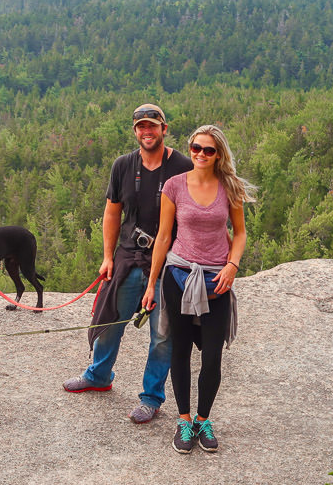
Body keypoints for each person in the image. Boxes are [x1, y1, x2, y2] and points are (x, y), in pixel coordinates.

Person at [62, 103, 192, 424]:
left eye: (153, 126)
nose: (147, 132)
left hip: (168, 261)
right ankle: (99, 375)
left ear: (164, 128)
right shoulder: (123, 165)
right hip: (128, 253)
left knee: (162, 333)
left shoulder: (182, 166)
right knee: (110, 317)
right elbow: (112, 212)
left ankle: (151, 398)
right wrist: (107, 257)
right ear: (135, 131)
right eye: (141, 127)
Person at [141, 124, 256, 454]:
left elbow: (241, 232)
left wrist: (232, 266)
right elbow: (164, 237)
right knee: (179, 350)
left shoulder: (229, 187)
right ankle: (183, 420)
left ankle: (203, 420)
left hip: (217, 279)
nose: (200, 154)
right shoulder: (174, 186)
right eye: (195, 147)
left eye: (207, 149)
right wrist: (153, 284)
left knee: (212, 357)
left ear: (218, 154)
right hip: (178, 275)